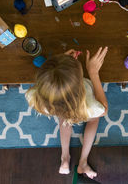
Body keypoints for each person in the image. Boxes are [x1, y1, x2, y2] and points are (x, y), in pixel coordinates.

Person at [25, 47, 108, 178]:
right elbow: (103, 109)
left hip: (57, 109)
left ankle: (65, 159)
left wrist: (59, 67)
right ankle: (83, 161)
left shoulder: (34, 96)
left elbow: (44, 85)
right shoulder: (91, 106)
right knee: (94, 120)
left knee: (63, 121)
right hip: (83, 110)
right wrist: (93, 73)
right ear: (79, 82)